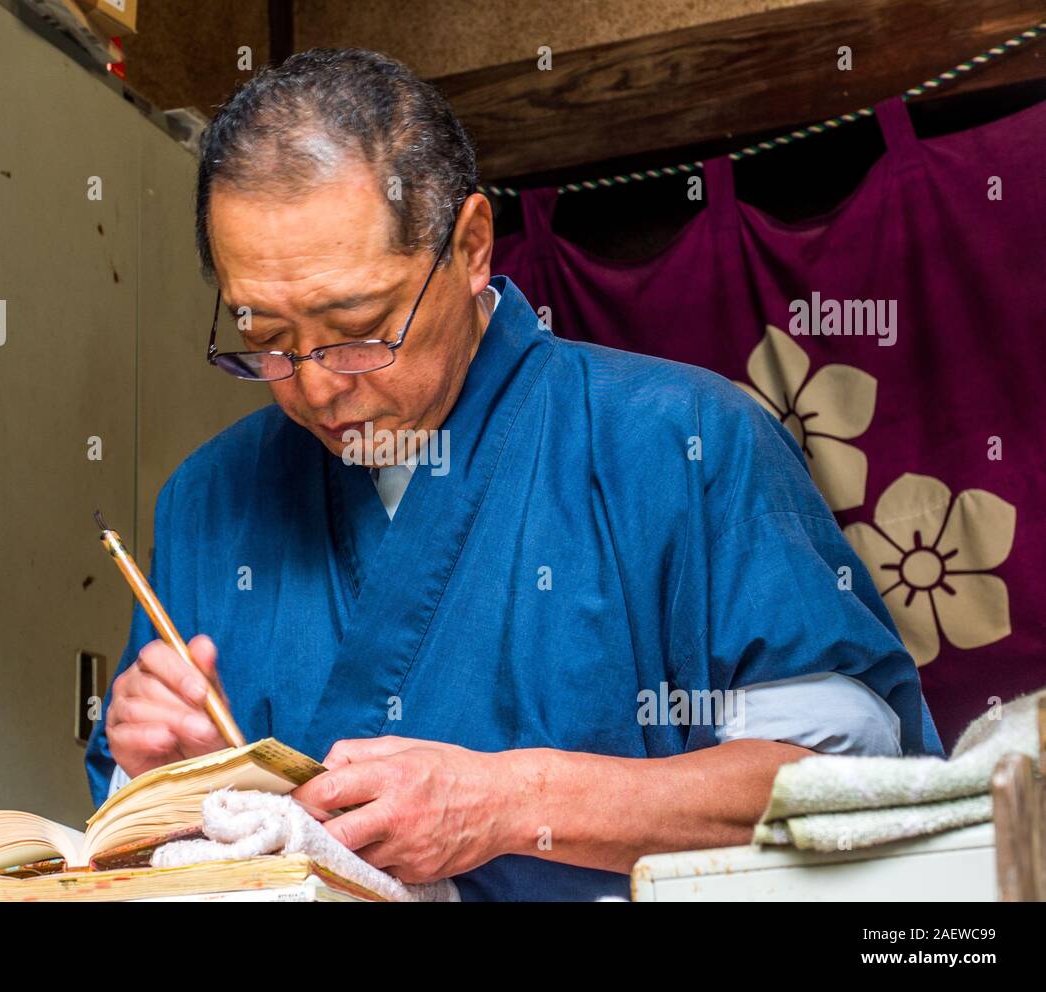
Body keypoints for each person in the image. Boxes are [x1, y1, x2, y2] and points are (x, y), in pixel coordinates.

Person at [86, 48, 944, 901]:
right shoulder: (209, 501)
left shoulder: (683, 440)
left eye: (358, 326)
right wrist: (155, 777)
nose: (314, 386)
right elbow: (131, 852)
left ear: (470, 248)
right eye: (266, 336)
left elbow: (850, 783)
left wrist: (511, 802)